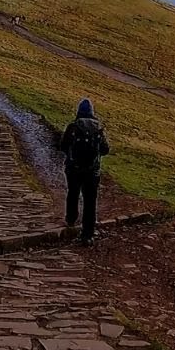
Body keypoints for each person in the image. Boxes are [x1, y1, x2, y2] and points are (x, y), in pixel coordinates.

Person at [60, 98, 111, 246]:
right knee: (90, 201)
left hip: (73, 169)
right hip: (92, 171)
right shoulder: (98, 129)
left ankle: (71, 218)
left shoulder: (73, 127)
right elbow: (105, 150)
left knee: (73, 192)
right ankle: (87, 234)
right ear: (92, 113)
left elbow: (63, 146)